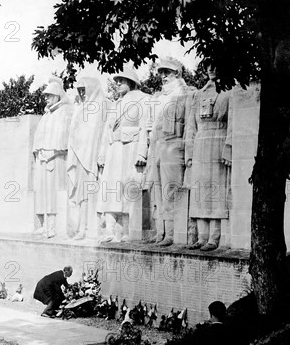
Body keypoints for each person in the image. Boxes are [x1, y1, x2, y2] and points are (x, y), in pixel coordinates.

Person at [97, 64, 149, 242]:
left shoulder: (142, 99)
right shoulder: (115, 104)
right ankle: (110, 230)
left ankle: (128, 230)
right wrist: (102, 154)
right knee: (111, 189)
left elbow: (144, 127)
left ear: (131, 81)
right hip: (114, 149)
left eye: (121, 80)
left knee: (128, 188)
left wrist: (142, 153)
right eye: (116, 80)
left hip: (131, 147)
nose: (118, 83)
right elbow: (106, 132)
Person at [144, 57, 193, 246]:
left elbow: (189, 126)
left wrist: (187, 152)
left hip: (175, 146)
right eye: (161, 73)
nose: (163, 76)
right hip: (158, 147)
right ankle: (161, 231)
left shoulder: (187, 94)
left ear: (177, 73)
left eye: (167, 72)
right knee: (157, 191)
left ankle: (174, 233)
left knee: (171, 190)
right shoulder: (158, 98)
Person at [185, 61, 232, 251]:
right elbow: (190, 125)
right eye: (208, 65)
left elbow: (233, 123)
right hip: (200, 144)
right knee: (200, 191)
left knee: (217, 192)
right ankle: (201, 236)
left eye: (216, 64)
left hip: (218, 141)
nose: (212, 68)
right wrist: (189, 153)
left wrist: (228, 148)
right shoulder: (198, 95)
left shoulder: (229, 92)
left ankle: (214, 237)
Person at [67, 74, 110, 240]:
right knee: (82, 195)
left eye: (84, 90)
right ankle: (83, 228)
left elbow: (103, 133)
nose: (83, 93)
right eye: (80, 90)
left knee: (93, 193)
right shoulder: (80, 109)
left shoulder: (103, 106)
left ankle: (94, 228)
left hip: (94, 158)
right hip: (80, 157)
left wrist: (101, 155)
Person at [32, 76, 73, 238]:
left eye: (49, 95)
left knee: (54, 192)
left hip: (56, 158)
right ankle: (45, 224)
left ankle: (54, 226)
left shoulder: (65, 111)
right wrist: (40, 151)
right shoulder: (47, 114)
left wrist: (54, 151)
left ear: (57, 95)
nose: (46, 98)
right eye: (45, 95)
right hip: (43, 158)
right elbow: (39, 137)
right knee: (43, 192)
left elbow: (65, 137)